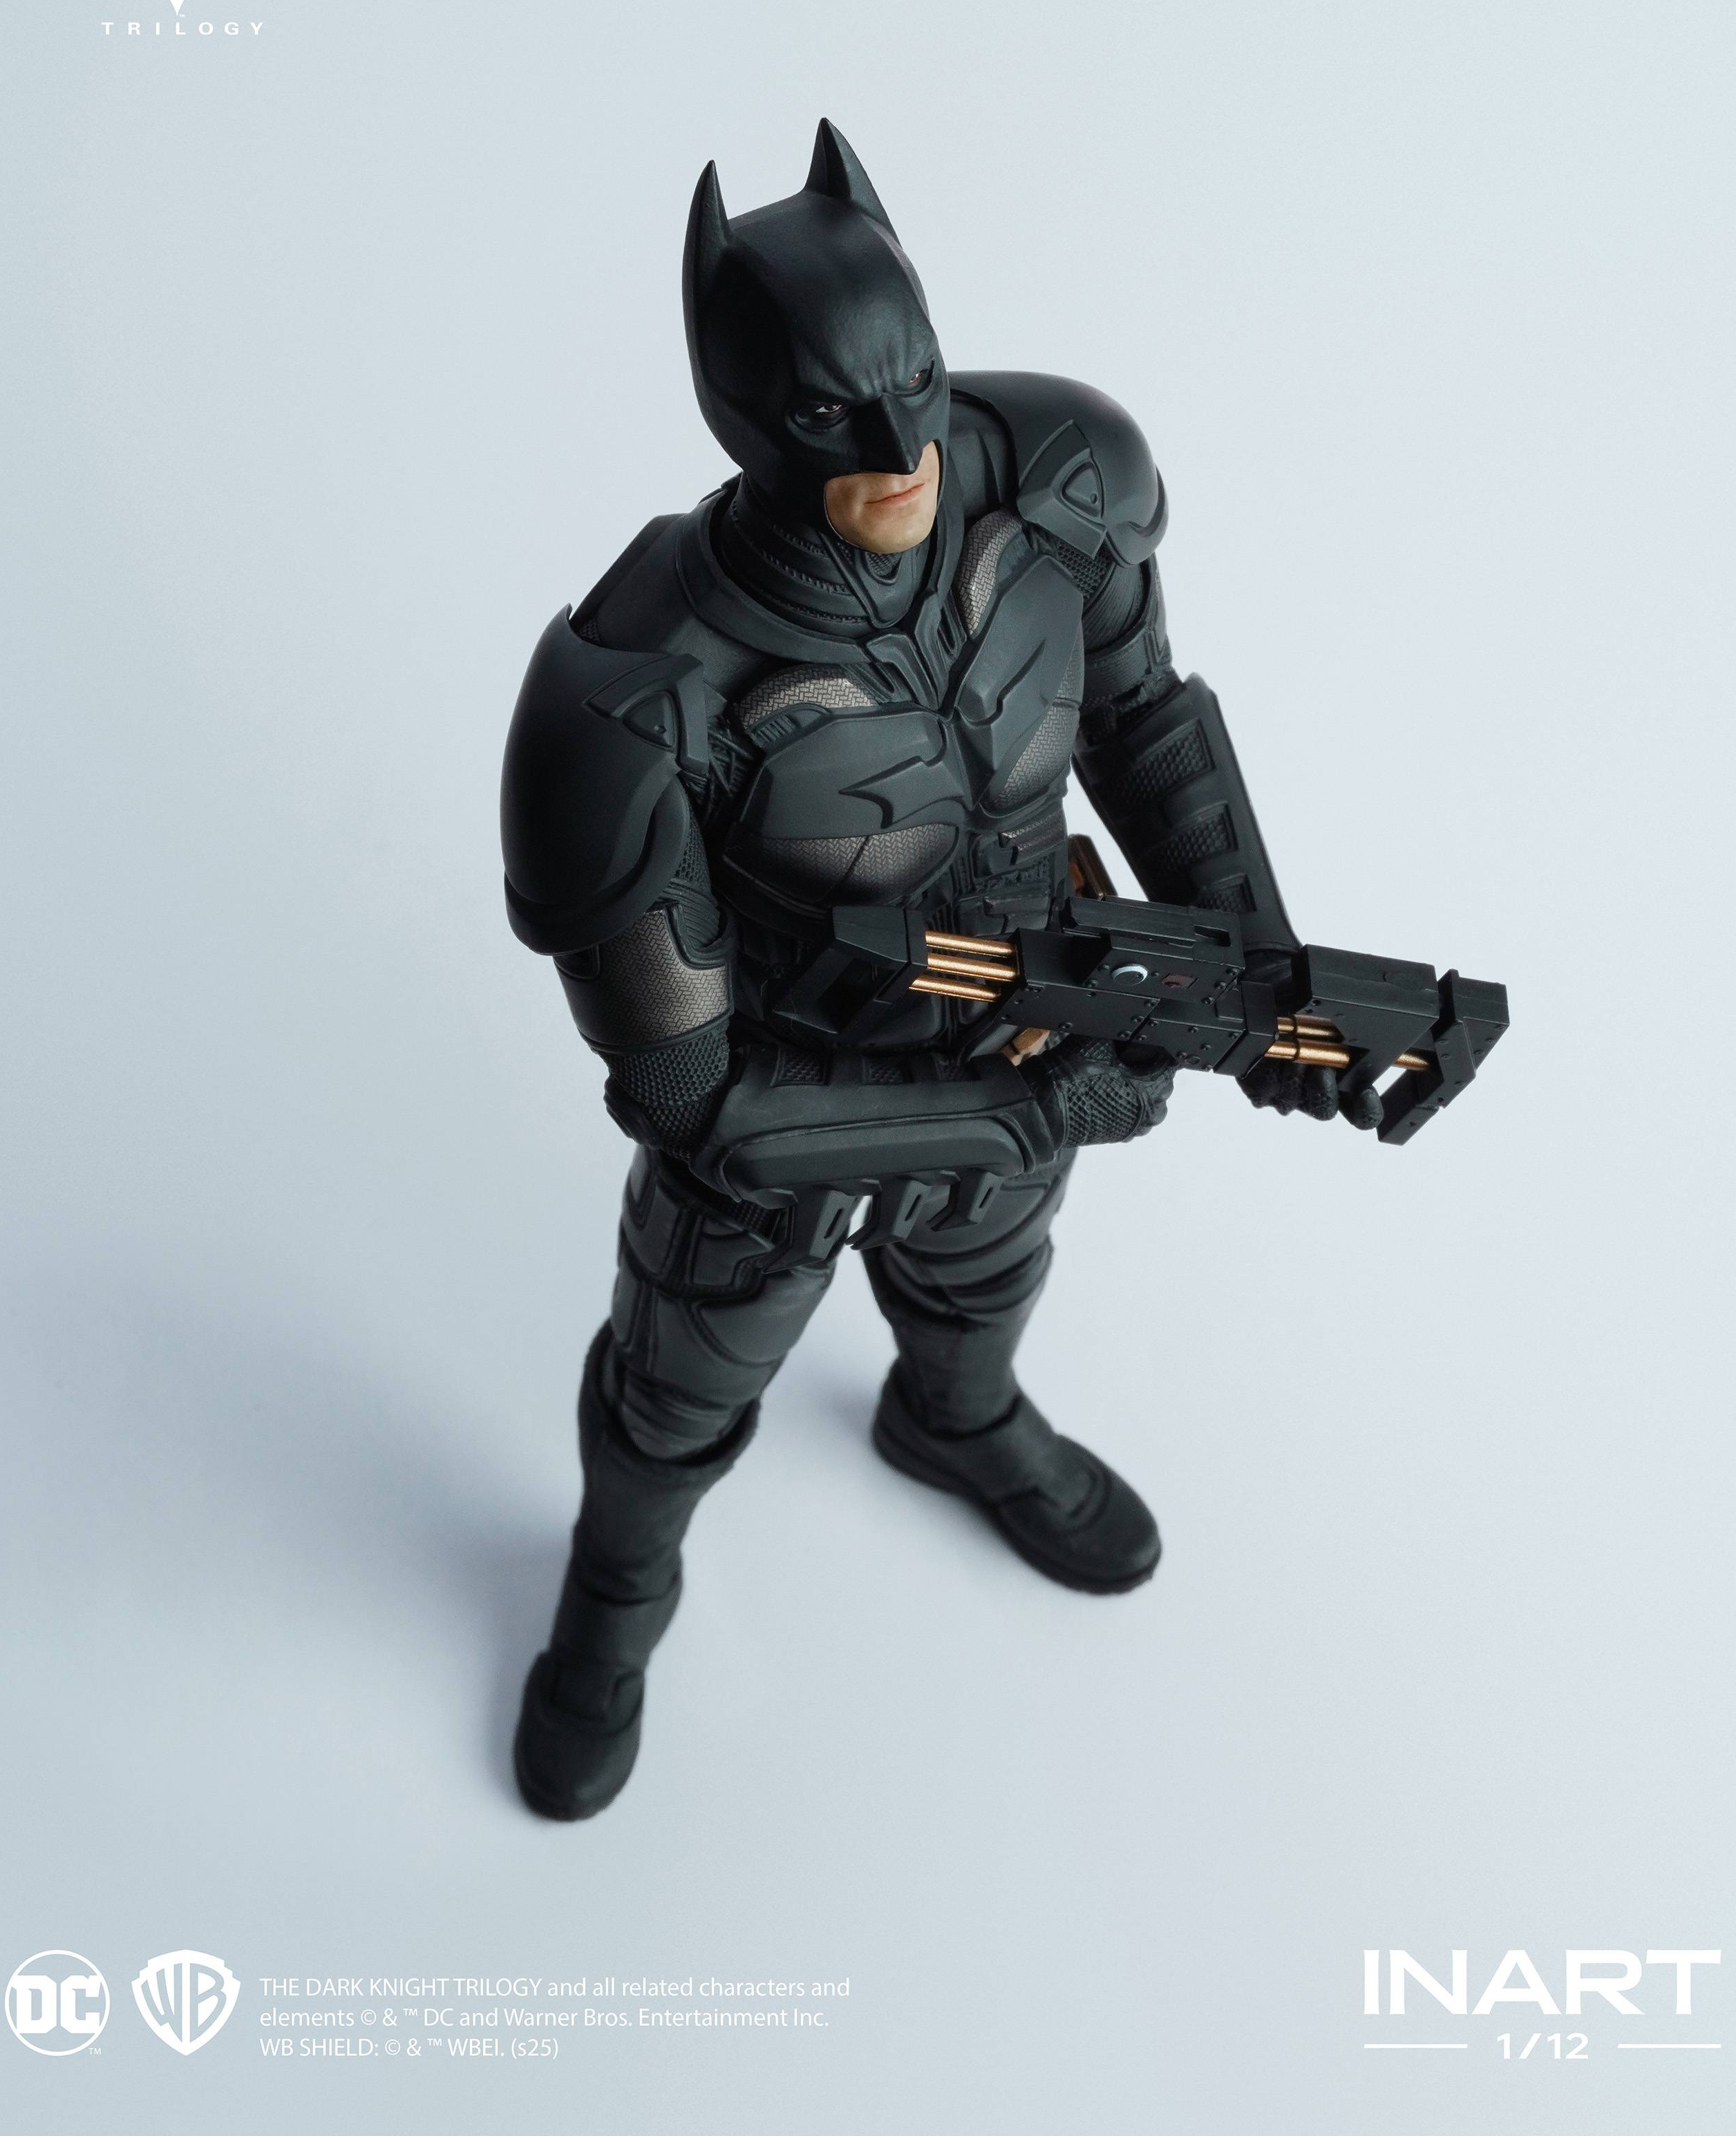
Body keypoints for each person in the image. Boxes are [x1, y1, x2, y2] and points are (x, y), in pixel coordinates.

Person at [500, 122, 1368, 1819]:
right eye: (837, 415)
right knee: (674, 1397)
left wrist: (1260, 985)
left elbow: (1147, 727)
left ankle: (955, 1422)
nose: (904, 445)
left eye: (913, 383)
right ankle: (616, 1589)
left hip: (1031, 1027)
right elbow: (690, 1091)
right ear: (747, 416)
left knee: (983, 1290)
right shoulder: (634, 689)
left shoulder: (1059, 479)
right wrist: (1029, 1112)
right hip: (787, 1124)